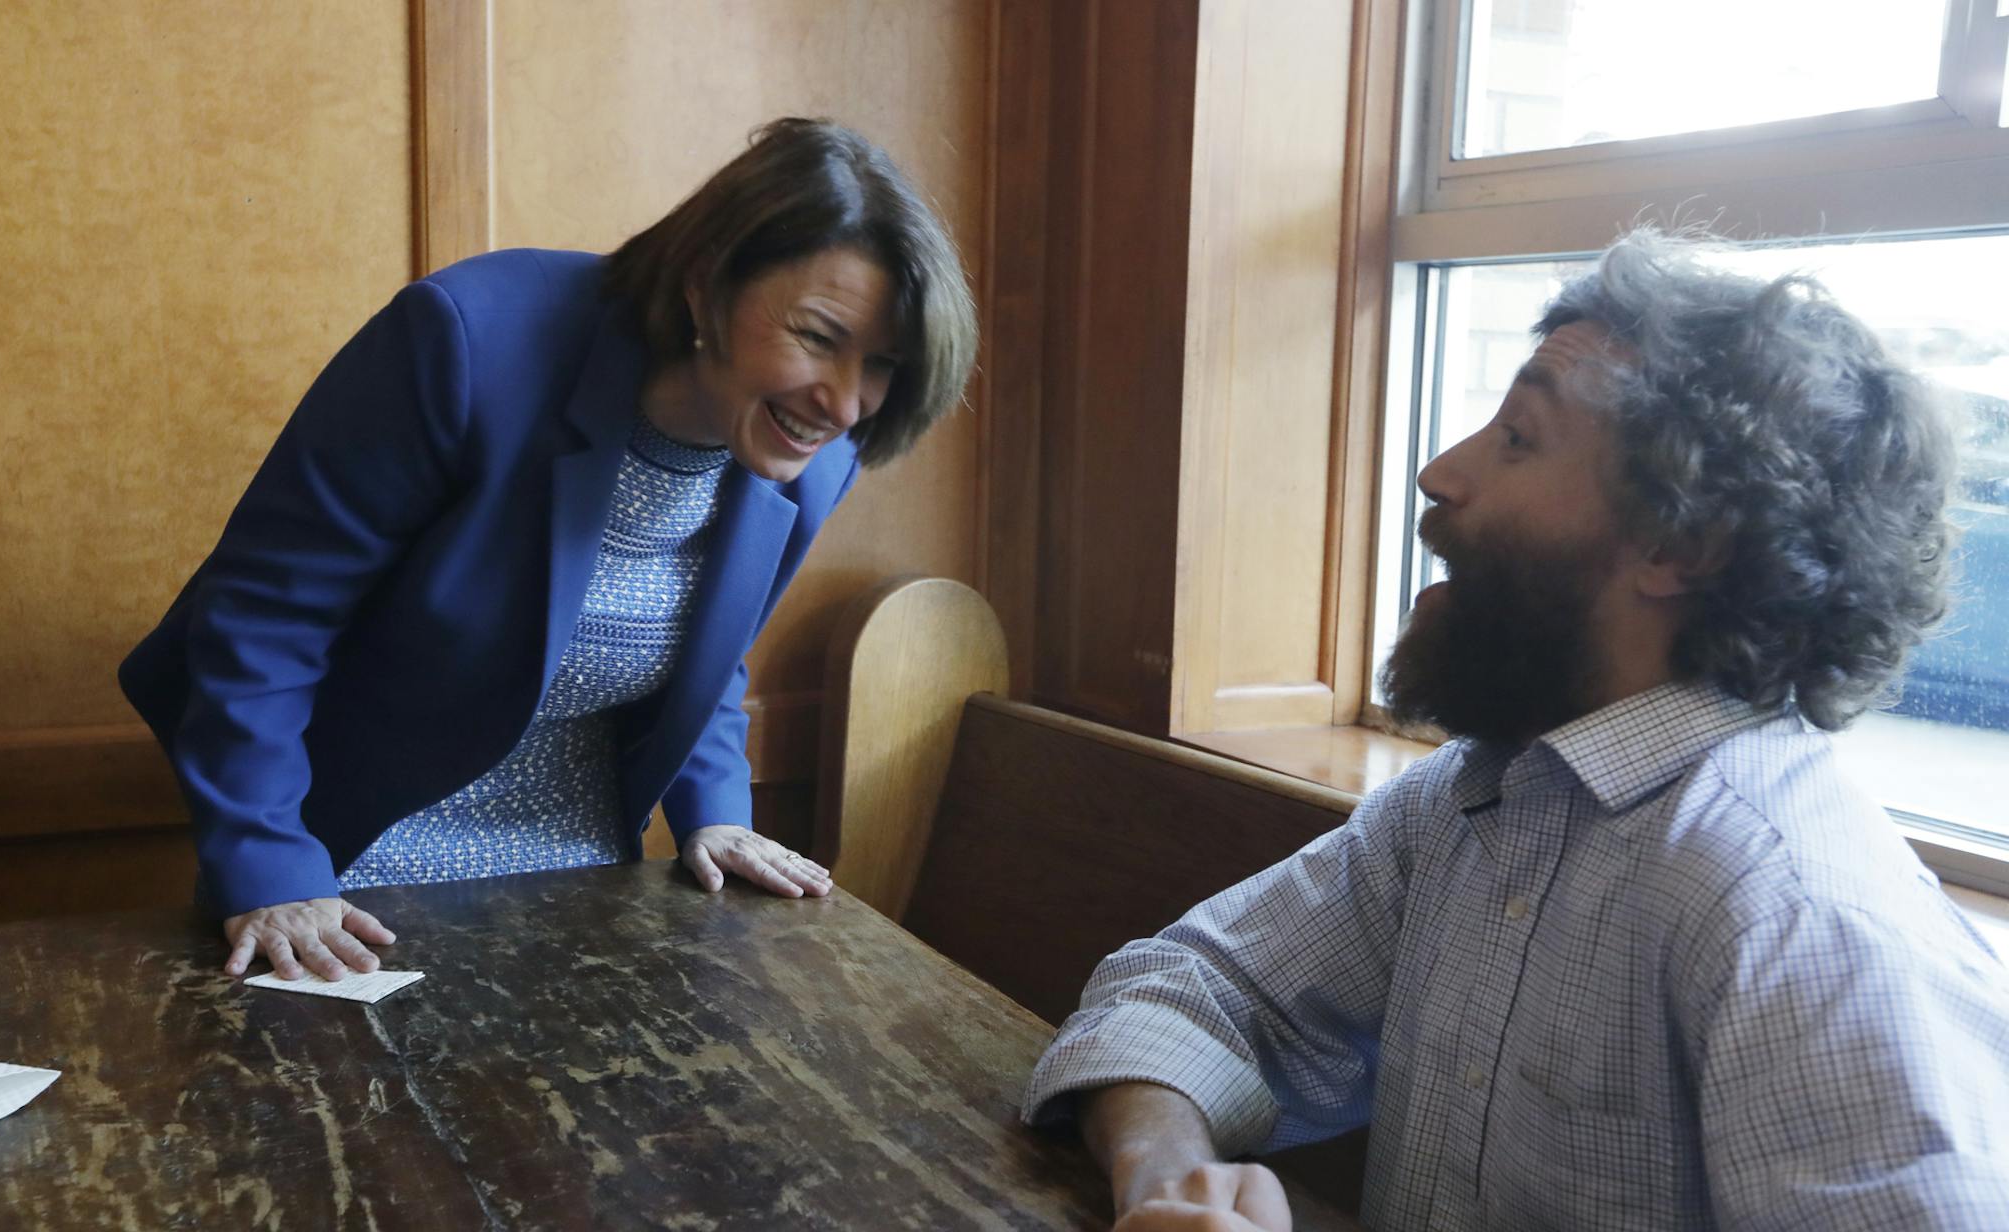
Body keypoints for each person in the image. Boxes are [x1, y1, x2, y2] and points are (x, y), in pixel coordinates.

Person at [1023, 231, 2009, 1230]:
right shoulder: (1473, 798)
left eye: (1519, 437)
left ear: (1679, 542)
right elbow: (1189, 987)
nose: (1441, 472)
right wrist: (1174, 1182)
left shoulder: (1799, 919)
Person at [120, 118, 977, 984]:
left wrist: (713, 811)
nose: (844, 402)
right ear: (705, 284)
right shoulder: (467, 340)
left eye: (882, 365)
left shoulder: (816, 449)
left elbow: (708, 649)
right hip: (344, 865)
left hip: (581, 878)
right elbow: (262, 620)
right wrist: (270, 867)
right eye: (820, 337)